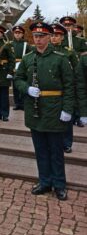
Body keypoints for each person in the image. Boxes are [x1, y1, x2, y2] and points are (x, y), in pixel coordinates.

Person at [14, 22, 77, 201]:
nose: (39, 39)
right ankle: (44, 181)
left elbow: (69, 86)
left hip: (55, 109)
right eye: (36, 36)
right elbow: (18, 79)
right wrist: (26, 88)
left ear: (49, 37)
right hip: (35, 111)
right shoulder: (27, 59)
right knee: (40, 150)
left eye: (42, 36)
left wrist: (67, 109)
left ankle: (59, 185)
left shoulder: (60, 58)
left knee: (56, 151)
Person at [50, 23, 78, 153]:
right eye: (52, 35)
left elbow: (76, 71)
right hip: (50, 90)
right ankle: (55, 143)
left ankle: (67, 143)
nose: (54, 38)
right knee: (53, 118)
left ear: (62, 37)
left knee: (66, 117)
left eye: (57, 35)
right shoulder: (46, 50)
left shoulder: (69, 52)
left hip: (65, 89)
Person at [0, 25, 15, 121]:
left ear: (2, 34)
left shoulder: (7, 45)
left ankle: (5, 114)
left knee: (4, 96)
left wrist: (10, 72)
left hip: (4, 72)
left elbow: (12, 59)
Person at [11, 25, 32, 110]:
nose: (17, 34)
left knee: (23, 84)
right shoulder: (10, 44)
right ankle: (17, 103)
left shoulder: (26, 44)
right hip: (13, 66)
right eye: (16, 33)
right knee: (15, 85)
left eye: (19, 33)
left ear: (22, 34)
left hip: (23, 66)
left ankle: (23, 103)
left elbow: (30, 56)